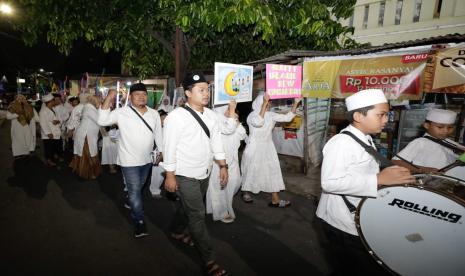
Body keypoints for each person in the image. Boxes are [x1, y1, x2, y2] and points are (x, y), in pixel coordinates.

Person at [316, 89, 416, 276]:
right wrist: (378, 179)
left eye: (387, 114)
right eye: (381, 115)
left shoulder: (365, 138)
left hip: (357, 214)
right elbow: (329, 182)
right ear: (358, 116)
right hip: (341, 220)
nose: (386, 119)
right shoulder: (341, 143)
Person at [162, 73, 228, 276]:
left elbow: (216, 142)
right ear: (188, 93)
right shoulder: (176, 117)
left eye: (207, 89)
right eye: (201, 90)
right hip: (184, 174)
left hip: (205, 172)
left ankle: (175, 230)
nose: (206, 93)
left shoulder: (211, 115)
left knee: (188, 207)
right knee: (198, 215)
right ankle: (208, 259)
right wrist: (170, 175)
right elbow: (169, 148)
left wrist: (223, 166)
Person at [98, 83, 163, 238]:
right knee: (135, 192)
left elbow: (158, 134)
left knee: (138, 188)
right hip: (128, 160)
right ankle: (139, 222)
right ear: (131, 96)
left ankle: (130, 199)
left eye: (144, 94)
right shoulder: (122, 112)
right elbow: (102, 121)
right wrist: (109, 98)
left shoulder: (154, 114)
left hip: (147, 159)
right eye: (137, 94)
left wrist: (161, 151)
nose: (141, 97)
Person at [240, 92, 301, 207]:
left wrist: (296, 103)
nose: (269, 104)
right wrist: (264, 104)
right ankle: (246, 191)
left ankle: (275, 199)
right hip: (254, 147)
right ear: (260, 102)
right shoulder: (252, 115)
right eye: (266, 102)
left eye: (269, 102)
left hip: (268, 147)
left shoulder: (271, 114)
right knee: (251, 170)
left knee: (273, 171)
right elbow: (258, 122)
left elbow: (287, 118)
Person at [392, 109, 465, 179]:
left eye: (450, 127)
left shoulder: (449, 143)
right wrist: (423, 169)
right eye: (440, 127)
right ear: (427, 125)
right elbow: (396, 161)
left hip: (445, 183)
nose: (446, 131)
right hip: (426, 183)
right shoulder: (420, 142)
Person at [206, 101, 247, 223]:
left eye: (230, 108)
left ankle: (218, 207)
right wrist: (232, 114)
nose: (229, 110)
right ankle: (221, 212)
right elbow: (228, 130)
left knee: (235, 182)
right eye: (227, 108)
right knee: (219, 187)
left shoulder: (232, 121)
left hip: (233, 160)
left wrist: (237, 120)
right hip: (219, 161)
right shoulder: (215, 122)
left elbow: (243, 135)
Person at [70, 95, 102, 180]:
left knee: (89, 153)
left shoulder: (90, 107)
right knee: (88, 154)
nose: (101, 102)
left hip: (88, 135)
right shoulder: (89, 108)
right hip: (86, 136)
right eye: (100, 100)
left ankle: (87, 172)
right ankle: (88, 173)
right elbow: (100, 120)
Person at [149, 109, 168, 198]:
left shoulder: (168, 127)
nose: (164, 119)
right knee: (158, 173)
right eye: (162, 118)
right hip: (158, 154)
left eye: (165, 117)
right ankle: (154, 190)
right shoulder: (154, 128)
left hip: (169, 154)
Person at [39, 93, 62, 167]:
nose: (54, 102)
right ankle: (48, 160)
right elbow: (43, 123)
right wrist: (48, 133)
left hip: (54, 131)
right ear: (50, 102)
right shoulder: (43, 111)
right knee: (48, 147)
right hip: (48, 134)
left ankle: (52, 158)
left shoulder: (53, 109)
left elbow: (56, 119)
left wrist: (57, 121)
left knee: (53, 146)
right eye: (53, 100)